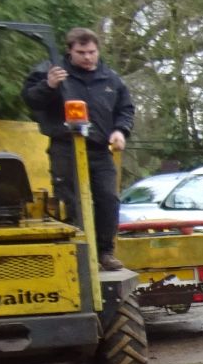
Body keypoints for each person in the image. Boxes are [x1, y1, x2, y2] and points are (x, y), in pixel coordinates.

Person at [21, 27, 134, 271]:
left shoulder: (111, 79)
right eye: (81, 52)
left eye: (92, 52)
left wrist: (120, 131)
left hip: (99, 149)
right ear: (70, 51)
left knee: (108, 199)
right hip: (65, 147)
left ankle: (105, 252)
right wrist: (49, 86)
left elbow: (125, 109)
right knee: (70, 200)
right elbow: (31, 99)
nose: (87, 57)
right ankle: (78, 251)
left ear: (98, 51)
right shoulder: (51, 71)